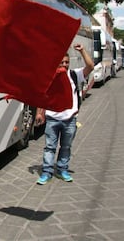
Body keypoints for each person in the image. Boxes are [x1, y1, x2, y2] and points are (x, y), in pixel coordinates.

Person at [35, 43, 94, 185]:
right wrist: (39, 113)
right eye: (62, 62)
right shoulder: (50, 77)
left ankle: (62, 170)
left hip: (70, 120)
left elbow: (90, 67)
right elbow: (42, 97)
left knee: (66, 147)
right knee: (50, 147)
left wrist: (82, 51)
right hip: (52, 119)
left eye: (67, 62)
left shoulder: (75, 75)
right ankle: (47, 172)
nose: (65, 64)